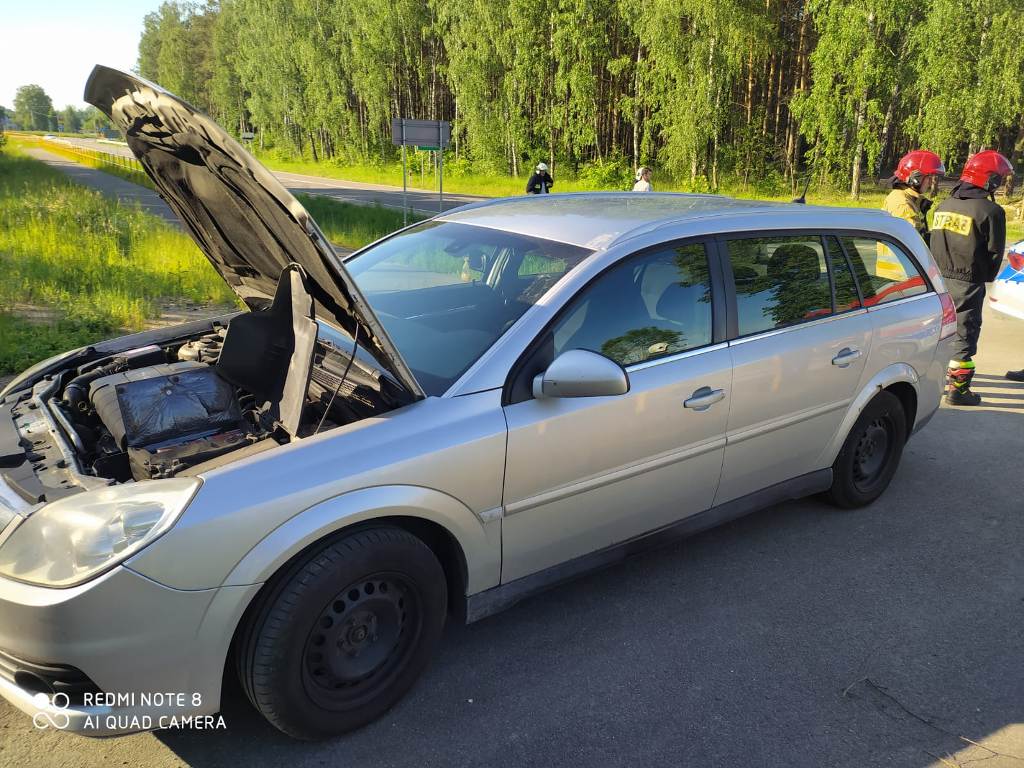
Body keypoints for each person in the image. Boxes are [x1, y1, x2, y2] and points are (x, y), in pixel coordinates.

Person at [929, 149, 1014, 405]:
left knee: (939, 330)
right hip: (968, 282)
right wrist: (984, 277)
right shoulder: (991, 211)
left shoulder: (944, 206)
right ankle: (958, 391)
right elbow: (995, 252)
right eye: (999, 179)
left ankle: (933, 383)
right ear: (990, 180)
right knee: (964, 333)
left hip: (936, 280)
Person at [883, 150, 944, 243]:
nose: (931, 182)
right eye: (929, 177)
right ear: (916, 178)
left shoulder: (910, 199)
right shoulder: (902, 205)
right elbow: (914, 243)